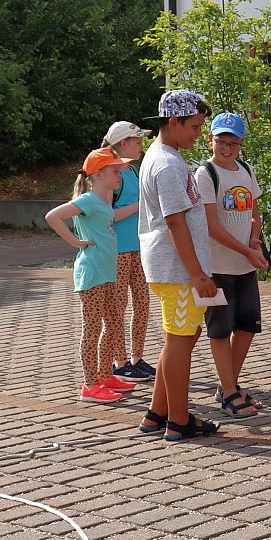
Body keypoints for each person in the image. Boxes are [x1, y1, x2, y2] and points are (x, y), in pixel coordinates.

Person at [135, 89, 220, 441]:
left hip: (174, 268)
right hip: (178, 269)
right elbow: (175, 222)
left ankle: (158, 412)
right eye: (195, 127)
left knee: (182, 335)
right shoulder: (168, 164)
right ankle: (179, 420)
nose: (198, 134)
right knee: (181, 338)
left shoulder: (163, 156)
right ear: (174, 122)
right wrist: (197, 272)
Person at [194, 112, 270, 418]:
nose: (227, 148)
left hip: (245, 266)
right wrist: (246, 251)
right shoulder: (205, 174)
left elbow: (255, 212)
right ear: (210, 139)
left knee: (247, 326)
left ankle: (230, 384)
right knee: (220, 330)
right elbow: (211, 225)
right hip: (216, 267)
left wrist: (254, 242)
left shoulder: (246, 170)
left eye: (233, 142)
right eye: (221, 141)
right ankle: (227, 392)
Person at [46, 148, 136, 402]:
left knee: (114, 323)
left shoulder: (104, 200)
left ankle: (105, 375)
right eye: (115, 171)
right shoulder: (86, 200)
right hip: (93, 274)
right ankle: (89, 385)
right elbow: (53, 216)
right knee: (92, 329)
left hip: (107, 273)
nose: (120, 175)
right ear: (97, 174)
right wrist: (75, 242)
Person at [102, 121, 155, 382]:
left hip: (138, 249)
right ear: (123, 143)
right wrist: (139, 205)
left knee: (143, 303)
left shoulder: (132, 171)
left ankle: (137, 358)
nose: (141, 145)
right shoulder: (111, 173)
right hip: (118, 251)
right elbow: (107, 215)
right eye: (136, 141)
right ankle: (119, 362)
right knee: (117, 306)